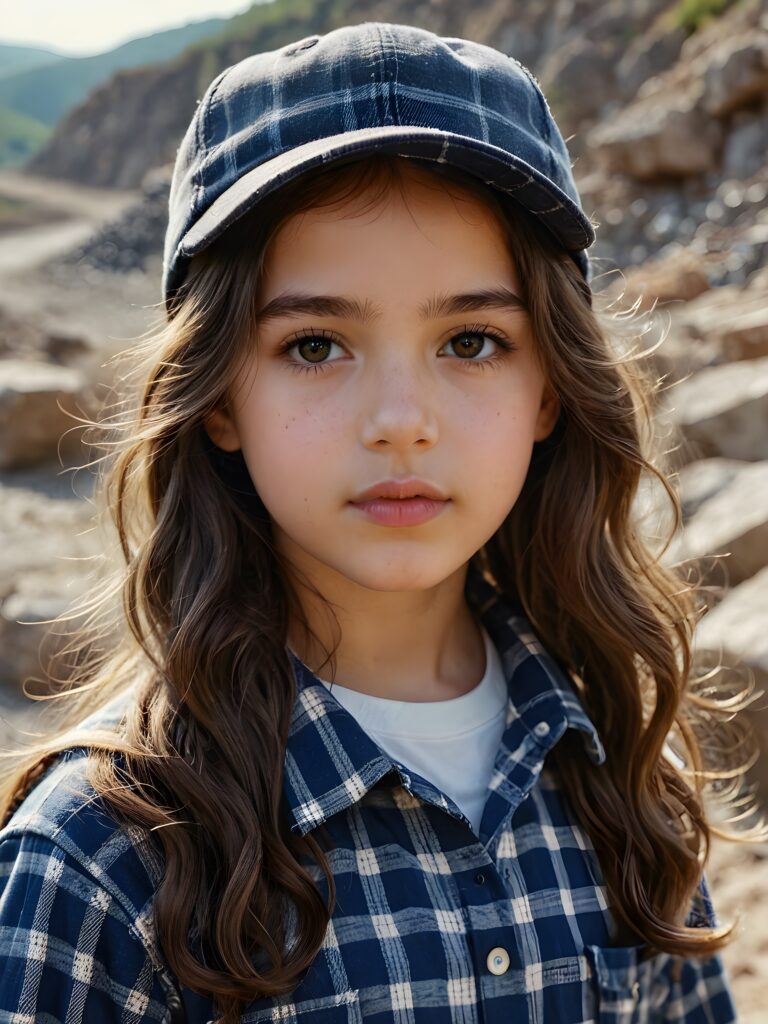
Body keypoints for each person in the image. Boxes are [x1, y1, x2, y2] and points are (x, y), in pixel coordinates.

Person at [0, 20, 756, 1024]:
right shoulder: (107, 856)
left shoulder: (625, 784)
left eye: (473, 340)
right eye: (315, 346)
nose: (402, 420)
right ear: (218, 395)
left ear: (551, 391)